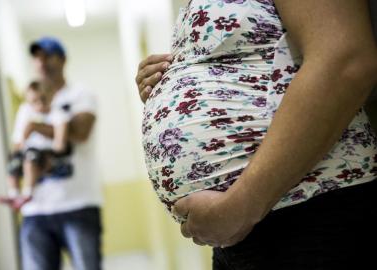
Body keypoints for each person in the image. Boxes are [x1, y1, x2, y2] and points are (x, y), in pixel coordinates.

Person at [137, 0, 377, 268]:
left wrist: (241, 207)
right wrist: (168, 79)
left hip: (309, 209)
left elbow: (346, 61)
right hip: (246, 225)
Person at [13, 37, 103, 270]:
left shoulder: (81, 95)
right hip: (34, 211)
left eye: (48, 56)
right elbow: (17, 148)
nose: (41, 62)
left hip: (78, 206)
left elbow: (80, 132)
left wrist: (34, 127)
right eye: (36, 57)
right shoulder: (26, 107)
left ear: (62, 59)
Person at [0, 80, 72, 210]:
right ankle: (13, 194)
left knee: (30, 159)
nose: (40, 104)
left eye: (43, 99)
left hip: (44, 151)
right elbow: (19, 139)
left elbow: (60, 142)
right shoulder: (26, 112)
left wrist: (57, 150)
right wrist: (17, 150)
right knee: (13, 163)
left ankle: (27, 193)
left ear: (51, 96)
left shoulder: (58, 114)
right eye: (34, 101)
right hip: (28, 150)